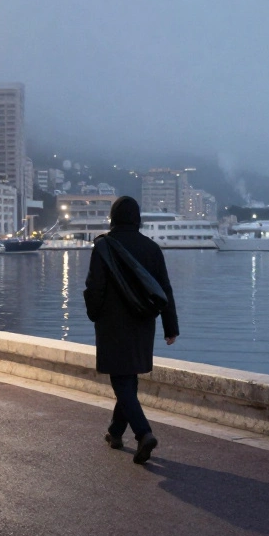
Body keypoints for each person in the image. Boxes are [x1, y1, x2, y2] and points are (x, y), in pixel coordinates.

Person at [83, 196, 179, 465]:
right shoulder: (151, 248)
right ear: (138, 219)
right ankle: (115, 432)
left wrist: (94, 314)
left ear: (113, 218)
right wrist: (170, 327)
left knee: (121, 380)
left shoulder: (104, 247)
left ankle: (143, 433)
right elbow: (165, 290)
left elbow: (95, 288)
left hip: (112, 324)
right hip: (142, 324)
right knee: (129, 379)